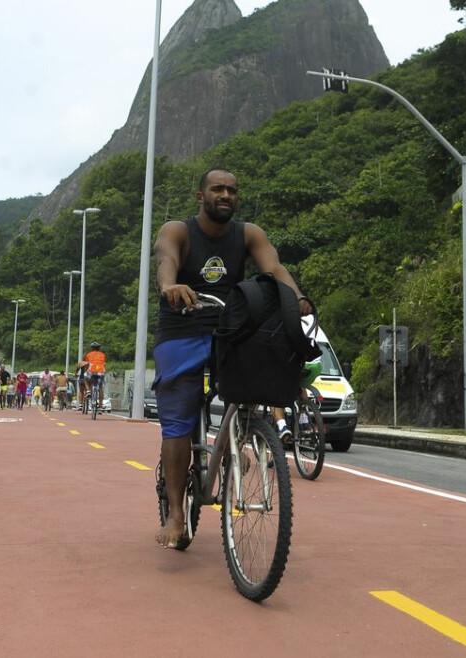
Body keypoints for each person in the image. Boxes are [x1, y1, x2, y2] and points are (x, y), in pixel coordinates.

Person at [152, 168, 311, 548]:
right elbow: (166, 260)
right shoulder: (179, 230)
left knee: (257, 380)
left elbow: (273, 268)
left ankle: (245, 432)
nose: (225, 195)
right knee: (177, 420)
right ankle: (176, 514)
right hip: (182, 329)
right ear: (200, 196)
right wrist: (170, 286)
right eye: (217, 189)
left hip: (231, 329)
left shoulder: (248, 234)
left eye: (232, 190)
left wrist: (296, 296)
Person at [81, 342, 107, 413]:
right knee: (101, 388)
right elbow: (104, 364)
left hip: (91, 372)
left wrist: (87, 370)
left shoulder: (88, 354)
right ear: (99, 348)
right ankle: (101, 406)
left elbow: (86, 364)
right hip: (101, 372)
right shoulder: (103, 355)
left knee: (85, 378)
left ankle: (88, 391)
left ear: (92, 348)